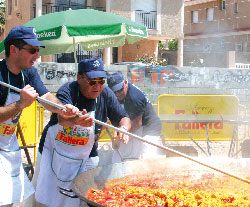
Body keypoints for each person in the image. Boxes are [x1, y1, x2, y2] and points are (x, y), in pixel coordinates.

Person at [35, 57, 131, 207]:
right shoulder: (68, 90)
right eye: (92, 82)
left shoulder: (106, 94)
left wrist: (123, 129)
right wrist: (74, 120)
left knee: (85, 197)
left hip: (85, 156)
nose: (98, 87)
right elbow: (61, 119)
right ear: (79, 78)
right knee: (44, 195)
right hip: (54, 151)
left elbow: (124, 117)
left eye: (101, 81)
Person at [0, 25, 78, 207]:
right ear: (13, 49)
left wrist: (63, 108)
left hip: (8, 146)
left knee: (9, 200)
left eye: (38, 51)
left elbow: (44, 97)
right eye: (32, 50)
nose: (37, 56)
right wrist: (20, 104)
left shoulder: (29, 72)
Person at [107, 72, 162, 163]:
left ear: (125, 83)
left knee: (147, 156)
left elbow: (137, 124)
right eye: (114, 91)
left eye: (120, 90)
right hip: (134, 125)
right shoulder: (117, 94)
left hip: (149, 126)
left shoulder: (134, 97)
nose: (117, 94)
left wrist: (120, 138)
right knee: (122, 153)